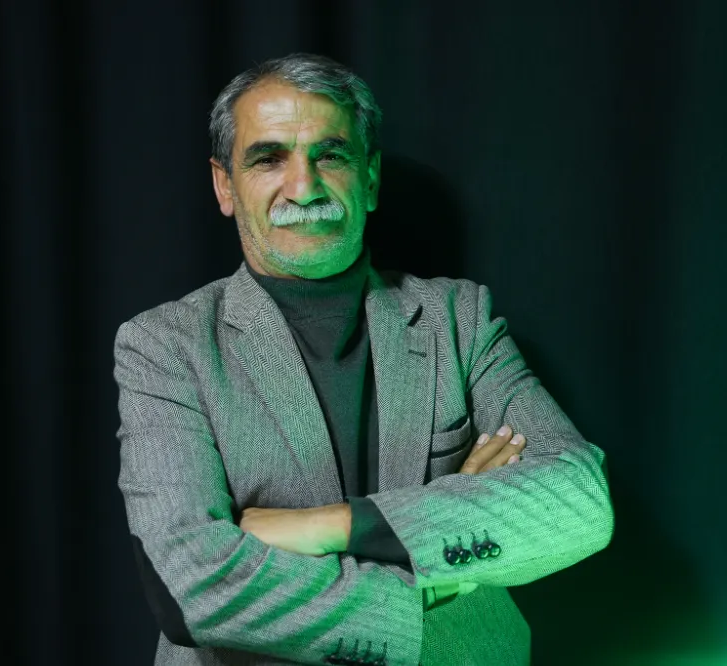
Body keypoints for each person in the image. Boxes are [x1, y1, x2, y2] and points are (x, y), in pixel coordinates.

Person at [113, 53, 614, 666]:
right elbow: (185, 587)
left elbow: (580, 503)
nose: (304, 187)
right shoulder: (165, 345)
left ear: (369, 178)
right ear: (225, 185)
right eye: (269, 159)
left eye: (330, 155)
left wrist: (331, 525)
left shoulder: (459, 319)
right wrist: (437, 570)